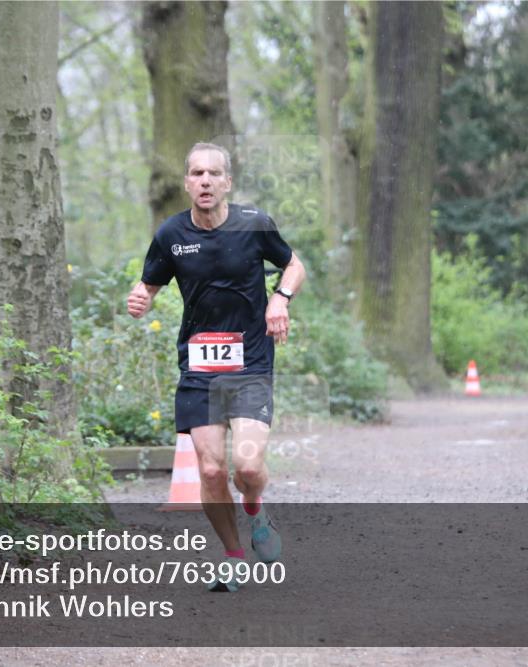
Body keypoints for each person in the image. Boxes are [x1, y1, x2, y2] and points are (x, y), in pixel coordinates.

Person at [127, 142, 306, 592]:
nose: (204, 181)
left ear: (227, 182)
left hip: (250, 360)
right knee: (209, 471)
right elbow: (149, 284)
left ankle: (255, 508)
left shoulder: (254, 225)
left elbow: (293, 265)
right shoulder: (171, 235)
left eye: (213, 174)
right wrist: (140, 298)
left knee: (246, 467)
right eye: (196, 173)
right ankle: (232, 555)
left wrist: (280, 299)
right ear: (187, 182)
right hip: (199, 364)